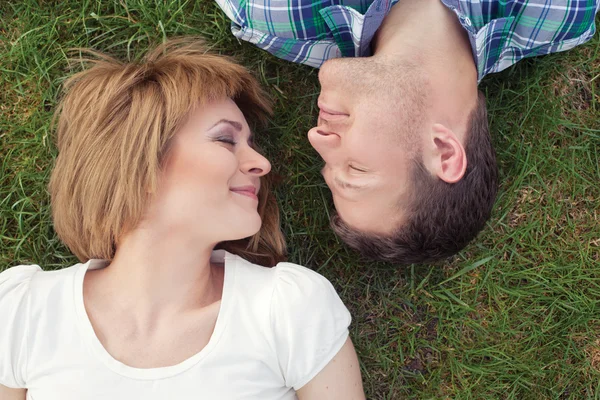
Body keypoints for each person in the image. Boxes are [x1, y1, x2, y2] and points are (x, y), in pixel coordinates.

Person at [0, 38, 365, 400]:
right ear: (139, 166)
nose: (262, 164)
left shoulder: (288, 310)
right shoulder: (24, 311)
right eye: (225, 140)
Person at [215, 0, 600, 264]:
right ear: (443, 150)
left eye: (327, 166)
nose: (316, 139)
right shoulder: (558, 14)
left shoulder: (278, 16)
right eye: (356, 171)